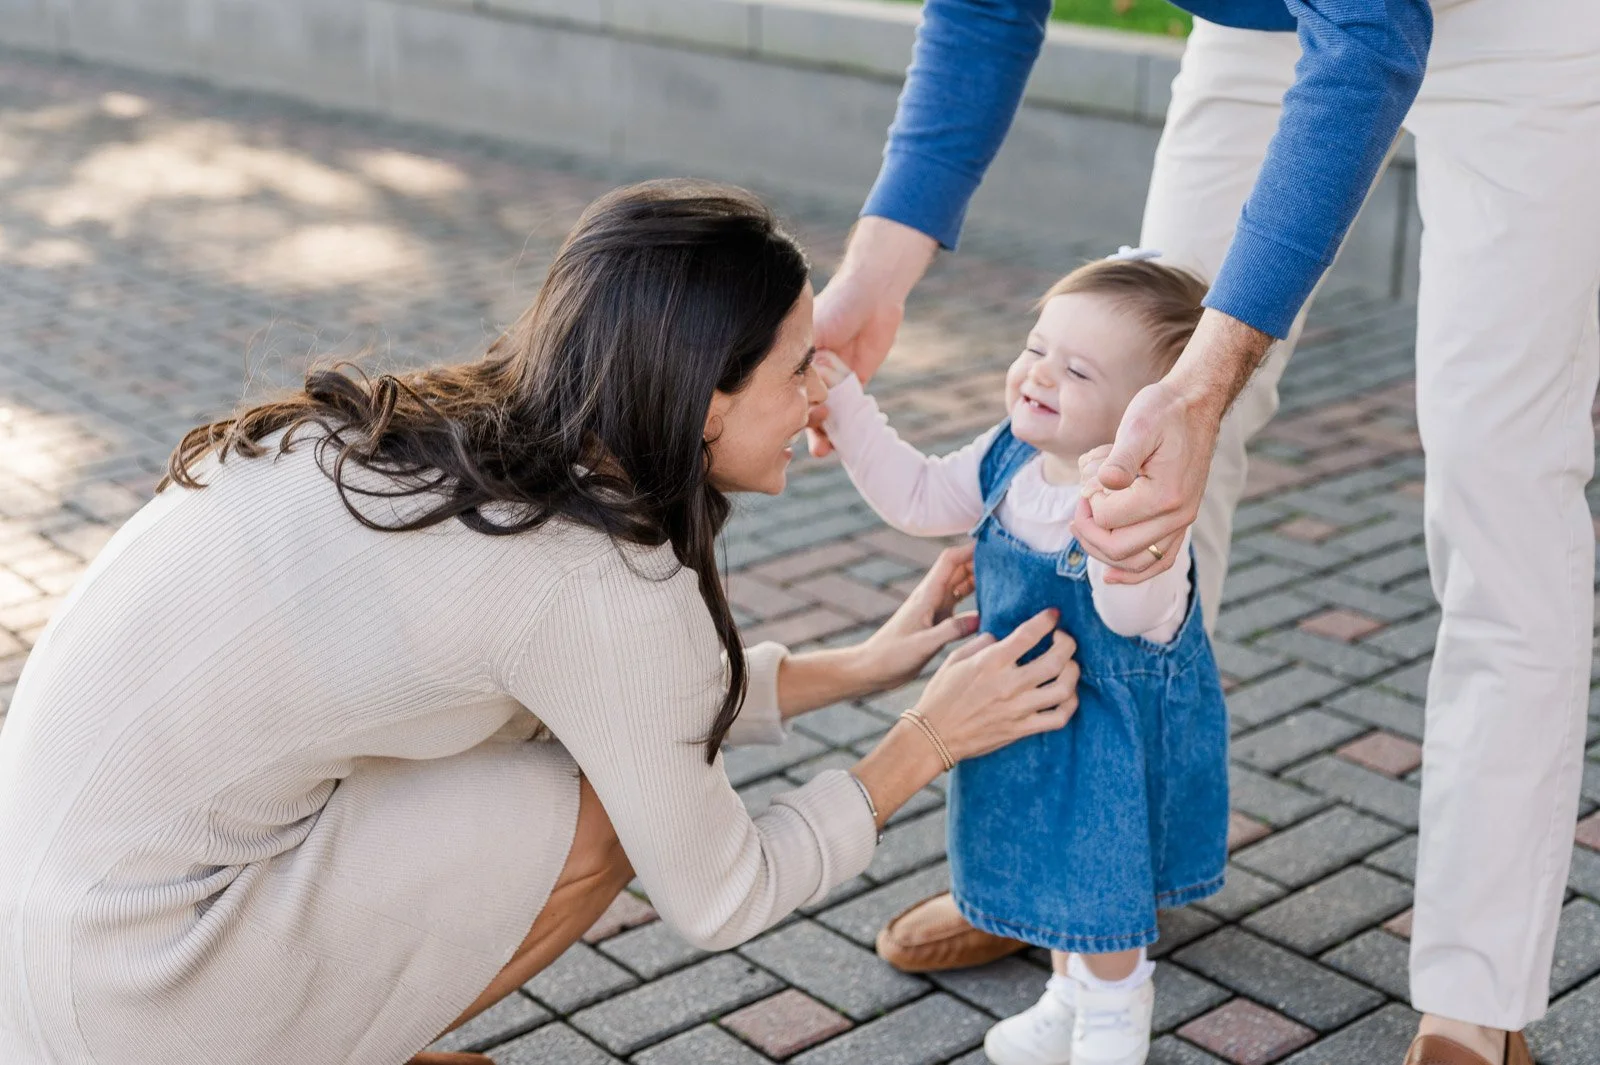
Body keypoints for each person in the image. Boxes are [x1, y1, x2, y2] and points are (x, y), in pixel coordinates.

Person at [0, 180, 1083, 1065]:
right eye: (801, 364)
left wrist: (858, 668)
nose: (826, 389)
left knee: (523, 748)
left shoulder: (441, 444)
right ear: (704, 399)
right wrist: (927, 743)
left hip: (46, 954)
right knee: (592, 819)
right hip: (131, 999)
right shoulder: (593, 576)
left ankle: (317, 1020)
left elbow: (611, 697)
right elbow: (723, 893)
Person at [811, 2, 1600, 1063]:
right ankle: (1081, 891)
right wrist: (873, 277)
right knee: (1130, 429)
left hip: (1516, 25)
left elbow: (1369, 32)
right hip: (1268, 24)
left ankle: (1474, 999)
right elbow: (983, 9)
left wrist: (1208, 378)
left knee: (1497, 473)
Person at [817, 251, 1228, 1065]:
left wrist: (1121, 550)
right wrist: (844, 404)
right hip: (1018, 721)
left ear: (1144, 415)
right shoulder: (1010, 459)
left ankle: (1114, 1006)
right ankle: (1067, 992)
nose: (1038, 374)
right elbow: (922, 497)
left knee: (1098, 874)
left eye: (1076, 370)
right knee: (1051, 872)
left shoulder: (1143, 511)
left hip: (1105, 740)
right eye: (1036, 347)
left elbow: (1139, 613)